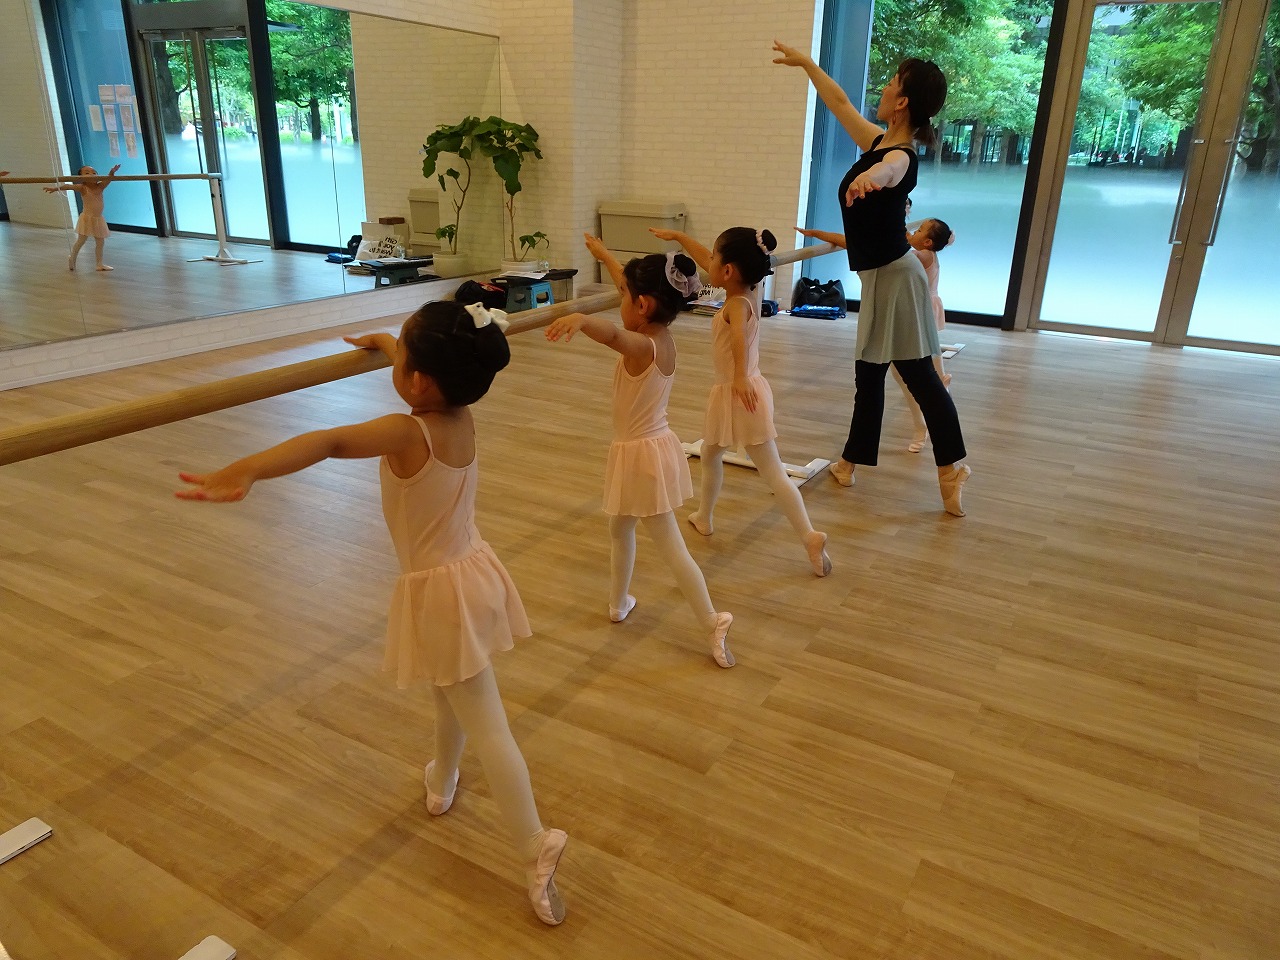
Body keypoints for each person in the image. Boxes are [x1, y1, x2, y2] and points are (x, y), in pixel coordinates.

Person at [176, 301, 570, 925]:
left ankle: (534, 844)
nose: (397, 363)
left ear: (420, 380)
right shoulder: (459, 411)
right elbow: (424, 374)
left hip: (442, 593)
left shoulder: (406, 433)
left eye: (403, 358)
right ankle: (442, 778)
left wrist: (247, 468)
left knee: (487, 722)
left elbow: (328, 441)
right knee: (448, 692)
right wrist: (390, 342)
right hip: (469, 571)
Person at [773, 40, 971, 516]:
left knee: (919, 377)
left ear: (902, 101)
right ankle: (850, 463)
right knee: (871, 375)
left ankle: (951, 467)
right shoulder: (880, 141)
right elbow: (840, 103)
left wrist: (872, 179)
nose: (883, 88)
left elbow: (891, 170)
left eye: (891, 82)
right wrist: (808, 64)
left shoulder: (900, 155)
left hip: (897, 278)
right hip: (882, 278)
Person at [545, 234, 737, 668]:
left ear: (644, 305)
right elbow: (626, 291)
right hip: (646, 449)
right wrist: (605, 255)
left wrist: (582, 319)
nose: (620, 299)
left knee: (670, 547)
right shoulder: (661, 336)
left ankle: (712, 620)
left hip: (642, 457)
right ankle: (619, 602)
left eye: (624, 296)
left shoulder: (642, 348)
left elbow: (613, 334)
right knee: (619, 527)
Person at [648, 225, 831, 577]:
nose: (709, 262)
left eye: (715, 258)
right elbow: (706, 260)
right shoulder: (749, 290)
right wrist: (680, 237)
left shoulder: (734, 305)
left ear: (729, 270)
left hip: (738, 392)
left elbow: (737, 339)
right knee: (712, 452)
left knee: (769, 470)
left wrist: (740, 376)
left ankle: (809, 535)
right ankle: (705, 517)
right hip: (743, 389)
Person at [797, 216, 955, 453]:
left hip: (916, 311)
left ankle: (928, 420)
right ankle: (934, 405)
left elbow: (874, 243)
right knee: (920, 372)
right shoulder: (919, 254)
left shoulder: (919, 256)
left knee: (915, 374)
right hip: (915, 310)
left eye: (920, 230)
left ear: (928, 242)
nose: (914, 232)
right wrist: (820, 233)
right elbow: (857, 243)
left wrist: (892, 223)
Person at [44, 164, 121, 272]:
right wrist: (55, 188)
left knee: (100, 242)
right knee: (81, 241)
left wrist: (112, 171)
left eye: (94, 172)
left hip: (98, 219)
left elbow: (109, 179)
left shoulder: (100, 186)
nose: (91, 174)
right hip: (87, 218)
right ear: (81, 178)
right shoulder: (83, 187)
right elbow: (68, 186)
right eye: (87, 173)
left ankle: (99, 264)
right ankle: (72, 257)